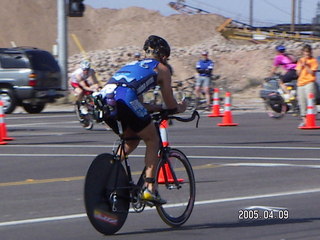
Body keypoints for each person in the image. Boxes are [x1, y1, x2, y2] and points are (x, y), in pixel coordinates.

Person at [98, 35, 186, 204]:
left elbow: (131, 99)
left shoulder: (133, 65)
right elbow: (171, 104)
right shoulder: (162, 69)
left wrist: (156, 108)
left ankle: (108, 172)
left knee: (131, 141)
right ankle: (150, 188)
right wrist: (181, 107)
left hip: (105, 99)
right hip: (126, 99)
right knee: (152, 139)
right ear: (165, 56)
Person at [295, 44, 318, 127]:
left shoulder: (313, 61)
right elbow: (297, 73)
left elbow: (312, 72)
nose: (307, 54)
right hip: (301, 83)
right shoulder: (300, 60)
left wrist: (306, 66)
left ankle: (312, 119)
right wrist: (301, 66)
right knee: (302, 101)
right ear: (303, 53)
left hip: (309, 82)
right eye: (305, 53)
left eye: (308, 53)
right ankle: (304, 120)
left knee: (310, 101)